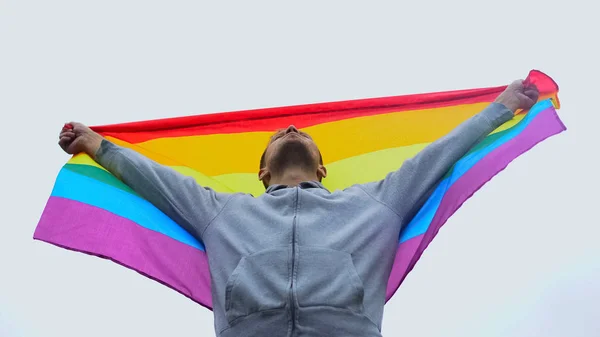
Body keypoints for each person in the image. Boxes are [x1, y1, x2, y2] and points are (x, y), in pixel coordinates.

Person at [58, 80, 539, 337]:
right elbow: (155, 179)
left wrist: (502, 106)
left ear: (324, 169)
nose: (290, 129)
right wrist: (96, 143)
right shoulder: (222, 213)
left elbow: (440, 153)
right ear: (261, 172)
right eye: (278, 136)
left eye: (301, 133)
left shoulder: (376, 203)